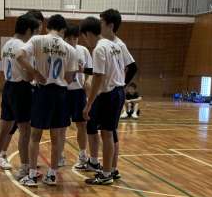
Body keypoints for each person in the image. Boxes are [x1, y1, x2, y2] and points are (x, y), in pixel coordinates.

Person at [16, 14, 78, 187]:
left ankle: (32, 175)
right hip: (61, 94)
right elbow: (69, 78)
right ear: (63, 30)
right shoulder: (70, 49)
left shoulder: (38, 40)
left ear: (47, 27)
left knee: (35, 135)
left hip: (42, 92)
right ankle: (52, 174)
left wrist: (35, 72)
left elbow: (19, 56)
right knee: (56, 137)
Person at [80, 10, 137, 185]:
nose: (86, 42)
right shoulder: (115, 45)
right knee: (109, 133)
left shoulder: (100, 48)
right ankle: (109, 170)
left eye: (84, 38)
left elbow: (98, 77)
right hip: (118, 92)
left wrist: (89, 104)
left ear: (88, 34)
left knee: (106, 134)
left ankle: (106, 174)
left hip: (109, 94)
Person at [0, 13, 41, 177]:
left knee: (3, 129)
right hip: (21, 89)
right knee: (25, 131)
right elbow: (28, 77)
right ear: (28, 30)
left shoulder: (7, 45)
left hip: (8, 87)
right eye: (34, 32)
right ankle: (24, 168)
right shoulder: (24, 48)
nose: (34, 36)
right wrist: (36, 74)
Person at [58, 24, 92, 169]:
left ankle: (83, 155)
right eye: (69, 38)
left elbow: (90, 71)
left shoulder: (83, 50)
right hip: (63, 91)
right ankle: (59, 155)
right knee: (61, 127)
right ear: (64, 38)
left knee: (82, 125)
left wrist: (87, 80)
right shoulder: (60, 51)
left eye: (75, 38)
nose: (73, 41)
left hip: (78, 92)